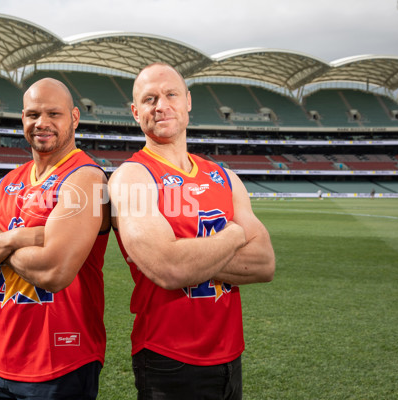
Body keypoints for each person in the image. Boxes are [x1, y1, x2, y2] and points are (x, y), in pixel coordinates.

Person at [108, 63, 276, 400]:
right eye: (149, 98)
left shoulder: (225, 177)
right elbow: (169, 268)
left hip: (231, 354)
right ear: (135, 111)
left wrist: (185, 252)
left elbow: (264, 263)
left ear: (187, 101)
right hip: (168, 357)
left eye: (170, 94)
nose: (161, 105)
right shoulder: (132, 177)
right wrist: (232, 235)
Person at [0, 78, 110, 400]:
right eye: (33, 114)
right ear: (22, 118)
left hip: (62, 362)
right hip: (2, 363)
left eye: (54, 114)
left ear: (75, 118)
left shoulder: (87, 178)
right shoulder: (8, 182)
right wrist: (19, 238)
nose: (42, 123)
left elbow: (55, 271)